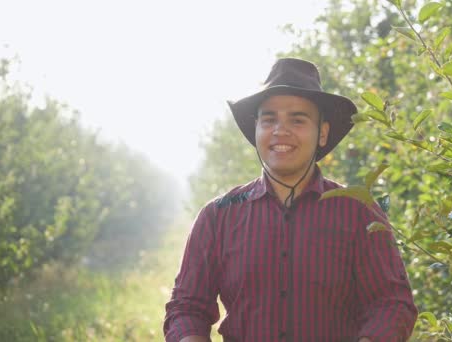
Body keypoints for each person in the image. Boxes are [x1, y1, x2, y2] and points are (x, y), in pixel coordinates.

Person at [164, 58, 418, 342]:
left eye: (297, 119)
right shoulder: (218, 216)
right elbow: (187, 308)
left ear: (322, 133)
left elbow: (392, 302)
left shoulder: (358, 211)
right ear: (257, 129)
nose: (280, 131)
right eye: (269, 119)